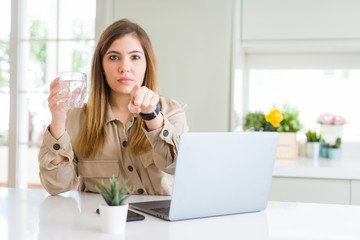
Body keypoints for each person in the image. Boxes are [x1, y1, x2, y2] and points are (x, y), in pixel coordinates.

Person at [38, 19, 188, 196]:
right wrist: (58, 120)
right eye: (114, 57)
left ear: (147, 64)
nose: (124, 68)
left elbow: (177, 167)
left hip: (160, 223)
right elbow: (57, 186)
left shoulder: (172, 112)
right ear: (101, 65)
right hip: (99, 221)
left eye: (135, 57)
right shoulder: (76, 119)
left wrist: (152, 116)